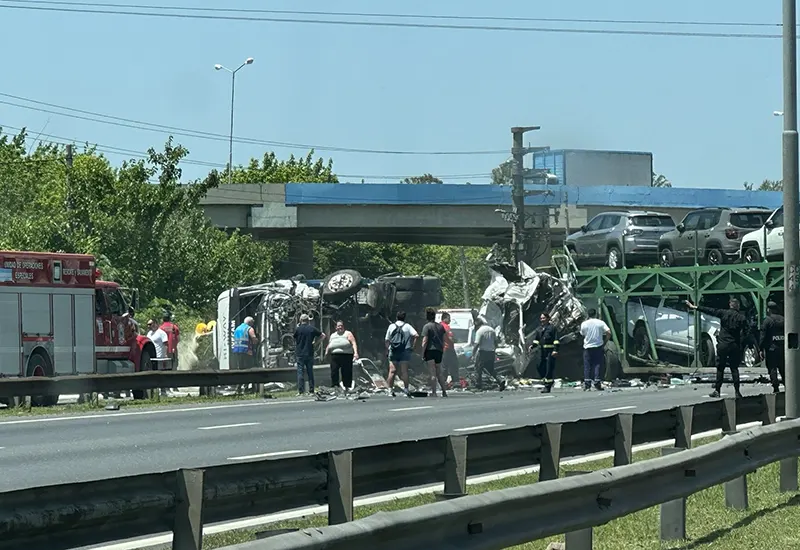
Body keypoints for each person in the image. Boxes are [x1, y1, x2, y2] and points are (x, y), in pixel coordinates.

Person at [686, 297, 747, 399]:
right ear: (738, 306)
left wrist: (695, 307)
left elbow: (710, 310)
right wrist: (741, 342)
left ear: (730, 305)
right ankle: (737, 392)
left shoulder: (723, 313)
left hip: (723, 345)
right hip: (734, 345)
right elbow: (746, 331)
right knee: (734, 369)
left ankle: (717, 391)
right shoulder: (741, 318)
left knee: (720, 368)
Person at [385, 310, 418, 398]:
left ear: (396, 317)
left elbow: (387, 340)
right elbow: (416, 335)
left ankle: (390, 390)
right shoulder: (407, 326)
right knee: (404, 371)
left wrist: (387, 350)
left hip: (393, 350)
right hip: (405, 350)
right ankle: (406, 389)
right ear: (404, 318)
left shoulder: (391, 326)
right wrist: (413, 347)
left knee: (392, 371)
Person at [472, 316, 506, 391]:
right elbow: (496, 342)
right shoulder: (491, 329)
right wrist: (494, 349)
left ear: (477, 325)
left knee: (478, 369)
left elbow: (476, 344)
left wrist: (473, 354)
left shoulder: (479, 331)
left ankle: (478, 385)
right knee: (491, 369)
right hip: (491, 352)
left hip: (483, 352)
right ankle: (500, 380)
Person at [294, 314, 325, 396]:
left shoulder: (298, 329)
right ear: (308, 320)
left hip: (300, 353)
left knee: (300, 372)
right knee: (310, 372)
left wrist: (298, 327)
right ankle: (311, 390)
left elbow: (295, 338)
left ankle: (301, 391)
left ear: (300, 320)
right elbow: (323, 335)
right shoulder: (311, 328)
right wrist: (316, 343)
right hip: (309, 352)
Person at [580, 309, 610, 391]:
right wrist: (605, 341)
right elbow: (608, 332)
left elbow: (582, 333)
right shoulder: (600, 322)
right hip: (598, 346)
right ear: (596, 314)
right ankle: (597, 383)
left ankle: (587, 385)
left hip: (587, 347)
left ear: (588, 315)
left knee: (587, 366)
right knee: (597, 365)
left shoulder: (584, 324)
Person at [421, 307, 449, 397]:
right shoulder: (440, 326)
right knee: (439, 372)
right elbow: (445, 339)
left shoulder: (427, 326)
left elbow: (425, 341)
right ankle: (444, 391)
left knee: (432, 372)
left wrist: (422, 353)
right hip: (439, 351)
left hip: (430, 351)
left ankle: (434, 392)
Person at [325, 320, 359, 393]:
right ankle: (335, 387)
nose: (340, 327)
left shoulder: (348, 333)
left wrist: (355, 353)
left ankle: (347, 387)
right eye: (338, 326)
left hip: (346, 355)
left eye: (341, 326)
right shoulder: (333, 335)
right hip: (334, 355)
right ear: (336, 327)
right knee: (334, 371)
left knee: (346, 372)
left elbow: (353, 343)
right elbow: (330, 344)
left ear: (343, 326)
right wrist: (326, 352)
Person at [530, 312, 560, 393]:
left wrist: (555, 350)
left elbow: (556, 340)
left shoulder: (552, 328)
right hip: (541, 351)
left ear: (548, 319)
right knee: (539, 366)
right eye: (541, 318)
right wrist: (532, 346)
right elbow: (536, 340)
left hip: (550, 351)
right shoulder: (539, 329)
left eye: (543, 318)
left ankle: (547, 386)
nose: (542, 320)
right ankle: (547, 380)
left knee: (549, 369)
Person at [760, 301, 785, 394]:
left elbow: (763, 336)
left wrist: (761, 348)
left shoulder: (767, 320)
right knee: (783, 368)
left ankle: (776, 388)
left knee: (772, 368)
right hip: (782, 348)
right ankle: (787, 386)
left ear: (768, 309)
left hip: (771, 349)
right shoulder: (784, 319)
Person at [439, 312, 458, 387]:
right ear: (444, 318)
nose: (450, 320)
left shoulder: (439, 326)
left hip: (442, 348)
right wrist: (455, 340)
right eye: (449, 319)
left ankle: (443, 382)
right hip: (448, 348)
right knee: (453, 365)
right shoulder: (446, 327)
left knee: (443, 366)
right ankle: (455, 381)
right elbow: (451, 338)